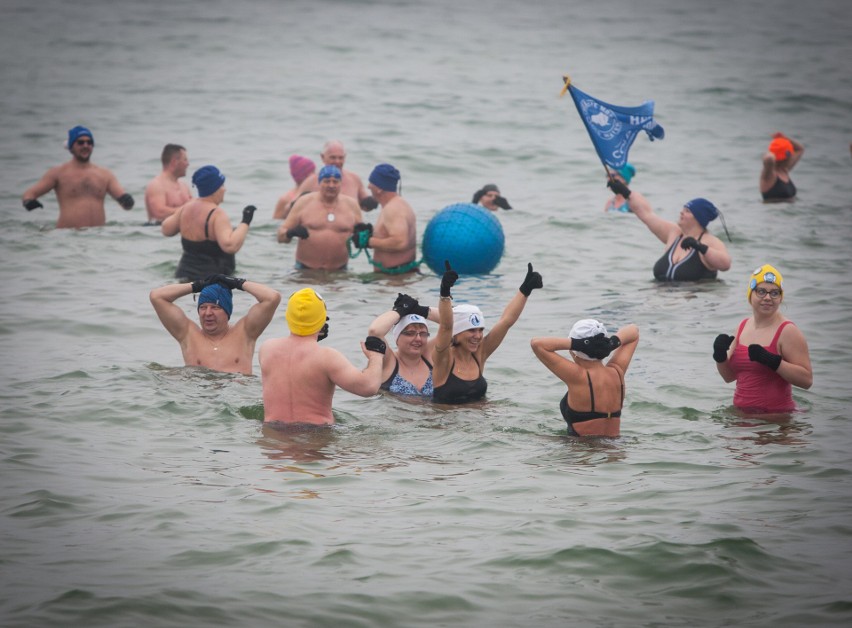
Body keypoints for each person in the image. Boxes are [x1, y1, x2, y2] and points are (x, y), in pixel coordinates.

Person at [259, 288, 386, 425]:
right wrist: (376, 356)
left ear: (288, 317)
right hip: (315, 436)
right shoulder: (327, 357)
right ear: (322, 320)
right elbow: (368, 387)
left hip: (273, 433)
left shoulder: (267, 348)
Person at [431, 260, 542, 404]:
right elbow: (446, 326)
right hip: (446, 423)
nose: (477, 336)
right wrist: (444, 292)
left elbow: (506, 321)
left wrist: (525, 290)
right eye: (471, 330)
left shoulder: (479, 353)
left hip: (477, 423)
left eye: (480, 330)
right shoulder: (443, 358)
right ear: (456, 332)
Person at [712, 264, 813, 413]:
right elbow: (729, 376)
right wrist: (719, 356)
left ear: (780, 297)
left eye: (774, 293)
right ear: (750, 294)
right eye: (761, 291)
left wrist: (773, 362)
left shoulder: (788, 331)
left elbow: (806, 381)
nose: (767, 298)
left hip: (776, 423)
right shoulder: (743, 326)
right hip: (741, 421)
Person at [149, 274, 281, 375]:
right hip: (199, 400)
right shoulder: (187, 334)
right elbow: (157, 296)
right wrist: (196, 286)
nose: (208, 313)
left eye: (215, 307)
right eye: (203, 307)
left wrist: (238, 283)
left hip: (237, 396)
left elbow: (272, 297)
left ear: (227, 311)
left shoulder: (245, 332)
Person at [608, 178, 731, 281]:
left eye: (687, 211)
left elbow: (725, 264)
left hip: (691, 305)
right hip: (662, 304)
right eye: (683, 209)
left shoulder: (710, 241)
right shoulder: (674, 233)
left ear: (699, 218)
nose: (681, 213)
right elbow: (647, 214)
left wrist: (700, 247)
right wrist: (626, 193)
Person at [531, 320, 639, 437]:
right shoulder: (617, 371)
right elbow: (634, 331)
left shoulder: (578, 376)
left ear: (574, 350)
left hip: (583, 451)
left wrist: (580, 344)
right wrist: (609, 344)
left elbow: (537, 344)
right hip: (616, 448)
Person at [21, 125, 135, 228]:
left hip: (100, 238)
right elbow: (29, 193)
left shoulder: (105, 174)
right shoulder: (58, 173)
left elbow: (125, 204)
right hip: (68, 237)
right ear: (71, 147)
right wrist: (28, 201)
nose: (85, 145)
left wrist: (128, 201)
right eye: (80, 142)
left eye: (89, 142)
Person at [161, 165, 256, 280]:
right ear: (214, 188)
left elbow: (166, 229)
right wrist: (246, 221)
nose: (224, 189)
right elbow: (230, 246)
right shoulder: (217, 214)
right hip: (211, 280)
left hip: (183, 275)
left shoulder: (186, 207)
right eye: (222, 185)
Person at [277, 165, 363, 270]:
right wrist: (291, 233)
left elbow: (363, 237)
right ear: (319, 182)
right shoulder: (304, 202)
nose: (331, 185)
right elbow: (280, 237)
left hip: (340, 273)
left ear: (341, 183)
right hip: (305, 271)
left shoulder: (352, 205)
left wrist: (363, 235)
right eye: (327, 181)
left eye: (335, 181)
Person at [351, 163, 419, 274]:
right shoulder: (395, 205)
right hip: (394, 277)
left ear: (379, 189)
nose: (368, 186)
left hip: (396, 279)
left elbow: (400, 242)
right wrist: (370, 234)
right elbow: (392, 235)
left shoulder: (393, 209)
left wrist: (369, 242)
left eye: (371, 183)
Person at [367, 293, 439, 397]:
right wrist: (399, 310)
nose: (418, 338)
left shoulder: (430, 356)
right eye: (410, 333)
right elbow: (375, 331)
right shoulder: (389, 361)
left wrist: (422, 310)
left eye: (423, 334)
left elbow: (455, 325)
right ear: (397, 338)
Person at [291, 140, 374, 210]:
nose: (337, 161)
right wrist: (300, 201)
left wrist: (374, 201)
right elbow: (291, 208)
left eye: (340, 158)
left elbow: (365, 205)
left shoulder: (354, 179)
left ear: (345, 157)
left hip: (349, 225)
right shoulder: (310, 182)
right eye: (333, 157)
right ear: (322, 157)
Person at [144, 144, 192, 225]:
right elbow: (159, 213)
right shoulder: (156, 185)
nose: (188, 164)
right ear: (174, 162)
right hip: (159, 232)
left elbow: (194, 208)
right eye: (185, 160)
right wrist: (187, 210)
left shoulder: (184, 186)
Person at [760, 133, 804, 202]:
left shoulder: (784, 170)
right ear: (786, 158)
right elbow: (769, 159)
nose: (792, 156)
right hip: (773, 212)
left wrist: (784, 138)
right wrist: (776, 152)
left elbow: (800, 149)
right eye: (790, 155)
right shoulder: (769, 175)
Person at [273, 154, 316, 220]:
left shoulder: (317, 192)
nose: (314, 176)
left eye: (314, 171)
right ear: (301, 175)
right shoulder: (285, 199)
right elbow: (275, 223)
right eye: (311, 172)